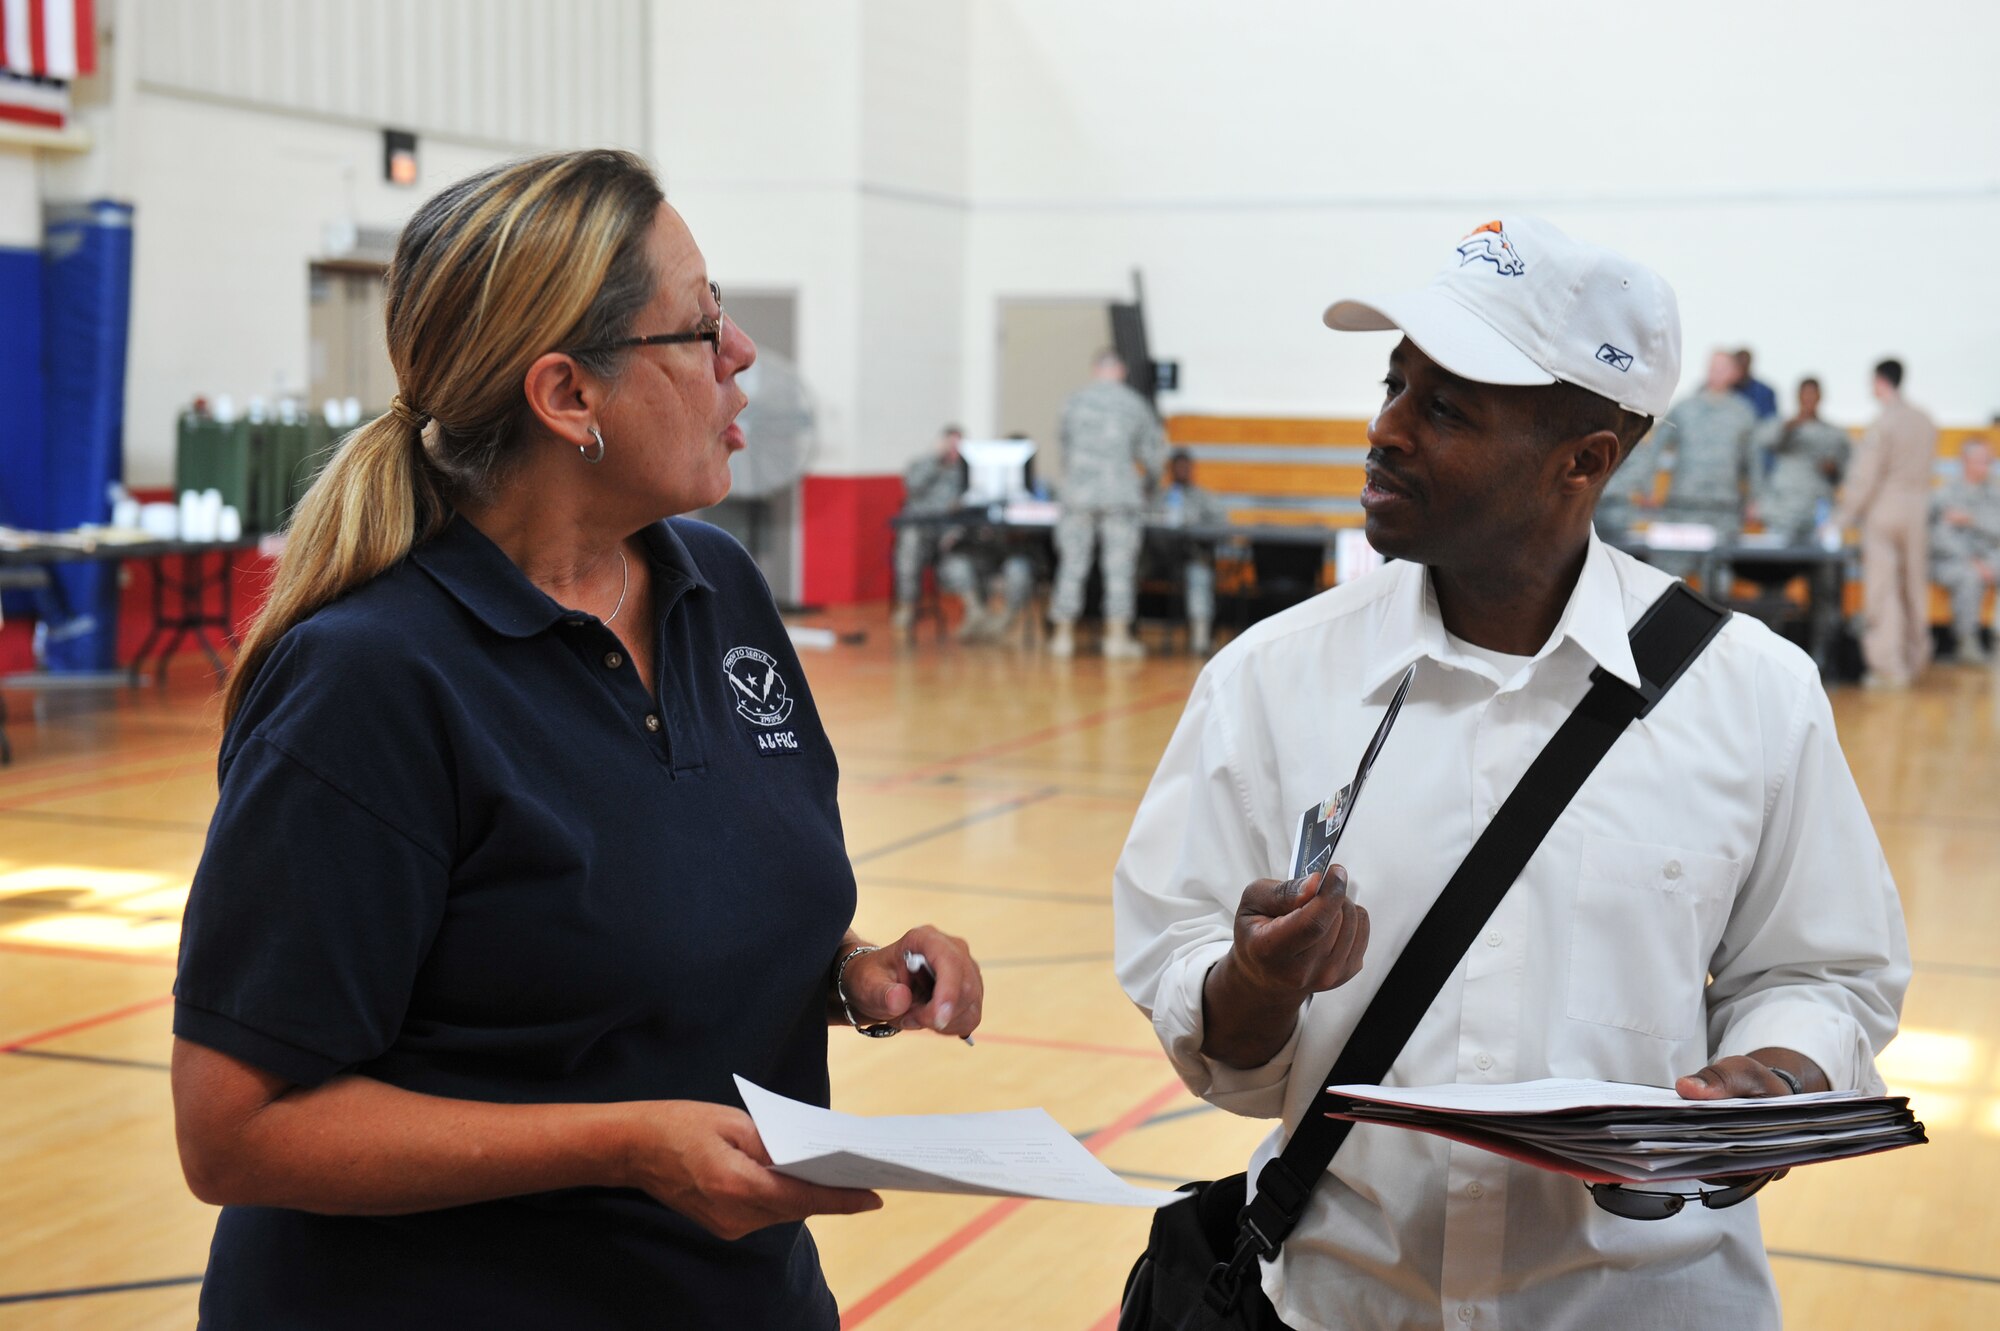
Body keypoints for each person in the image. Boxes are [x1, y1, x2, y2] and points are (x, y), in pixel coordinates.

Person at [169, 150, 985, 1330]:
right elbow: (234, 1130)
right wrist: (624, 1145)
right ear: (568, 397)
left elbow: (611, 933)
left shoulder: (715, 585)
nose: (741, 356)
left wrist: (846, 972)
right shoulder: (371, 678)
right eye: (700, 328)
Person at [1114, 216, 1907, 1331]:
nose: (1384, 430)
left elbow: (1825, 974)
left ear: (1584, 458)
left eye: (1443, 408)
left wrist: (1766, 1079)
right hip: (1339, 1303)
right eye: (1393, 384)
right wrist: (1256, 976)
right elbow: (1196, 1003)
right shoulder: (1268, 680)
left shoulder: (1750, 695)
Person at [1048, 350, 1167, 659]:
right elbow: (1154, 456)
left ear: (1094, 369)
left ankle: (1063, 636)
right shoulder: (1134, 404)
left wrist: (1075, 480)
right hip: (1120, 495)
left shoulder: (1073, 402)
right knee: (1119, 568)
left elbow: (1063, 446)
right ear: (1121, 371)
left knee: (1072, 563)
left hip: (1078, 494)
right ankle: (1116, 639)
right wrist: (1148, 489)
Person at [1835, 358, 1940, 688]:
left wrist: (1842, 519)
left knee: (1883, 589)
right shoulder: (1926, 420)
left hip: (1884, 510)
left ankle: (1888, 667)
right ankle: (1916, 656)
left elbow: (1866, 478)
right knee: (1913, 584)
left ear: (1881, 382)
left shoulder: (1883, 423)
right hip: (1918, 509)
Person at [1650, 350, 1760, 541]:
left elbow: (1753, 461)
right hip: (1683, 504)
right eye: (1713, 367)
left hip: (1724, 508)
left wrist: (1755, 501)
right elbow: (1654, 447)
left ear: (1735, 373)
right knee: (1672, 565)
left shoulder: (1743, 412)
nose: (1716, 372)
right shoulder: (1684, 408)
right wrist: (1648, 488)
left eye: (1723, 368)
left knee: (1718, 567)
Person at [1147, 448, 1233, 655]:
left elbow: (1223, 527)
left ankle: (1200, 637)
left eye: (1186, 467)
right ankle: (1124, 631)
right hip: (1160, 559)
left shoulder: (1204, 498)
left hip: (1191, 557)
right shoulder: (1161, 497)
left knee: (1199, 574)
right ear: (1171, 470)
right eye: (1178, 467)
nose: (1183, 471)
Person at [1749, 377, 1849, 543]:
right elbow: (1763, 441)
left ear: (1820, 397)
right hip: (1783, 511)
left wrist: (1833, 470)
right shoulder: (1783, 426)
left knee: (1820, 562)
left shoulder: (1834, 434)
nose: (1808, 399)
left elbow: (1847, 472)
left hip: (1817, 512)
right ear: (1798, 397)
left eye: (1813, 394)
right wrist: (1790, 426)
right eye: (1805, 395)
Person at [891, 425, 968, 639]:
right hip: (920, 528)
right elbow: (912, 487)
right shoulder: (922, 464)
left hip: (948, 531)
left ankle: (976, 611)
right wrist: (936, 457)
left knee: (965, 551)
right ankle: (906, 605)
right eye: (949, 443)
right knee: (910, 543)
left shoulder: (964, 471)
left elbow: (970, 503)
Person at [1928, 435, 2000, 663]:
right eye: (1980, 460)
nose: (1986, 466)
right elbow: (1938, 537)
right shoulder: (1945, 494)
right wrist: (1971, 559)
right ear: (1965, 461)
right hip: (1952, 561)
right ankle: (1967, 642)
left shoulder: (1995, 492)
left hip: (1991, 557)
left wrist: (1971, 519)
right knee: (1969, 577)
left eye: (1988, 460)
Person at [1732, 347, 1778, 420]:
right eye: (1739, 364)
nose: (1742, 368)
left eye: (1744, 363)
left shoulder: (1765, 392)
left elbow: (1771, 422)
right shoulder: (1724, 391)